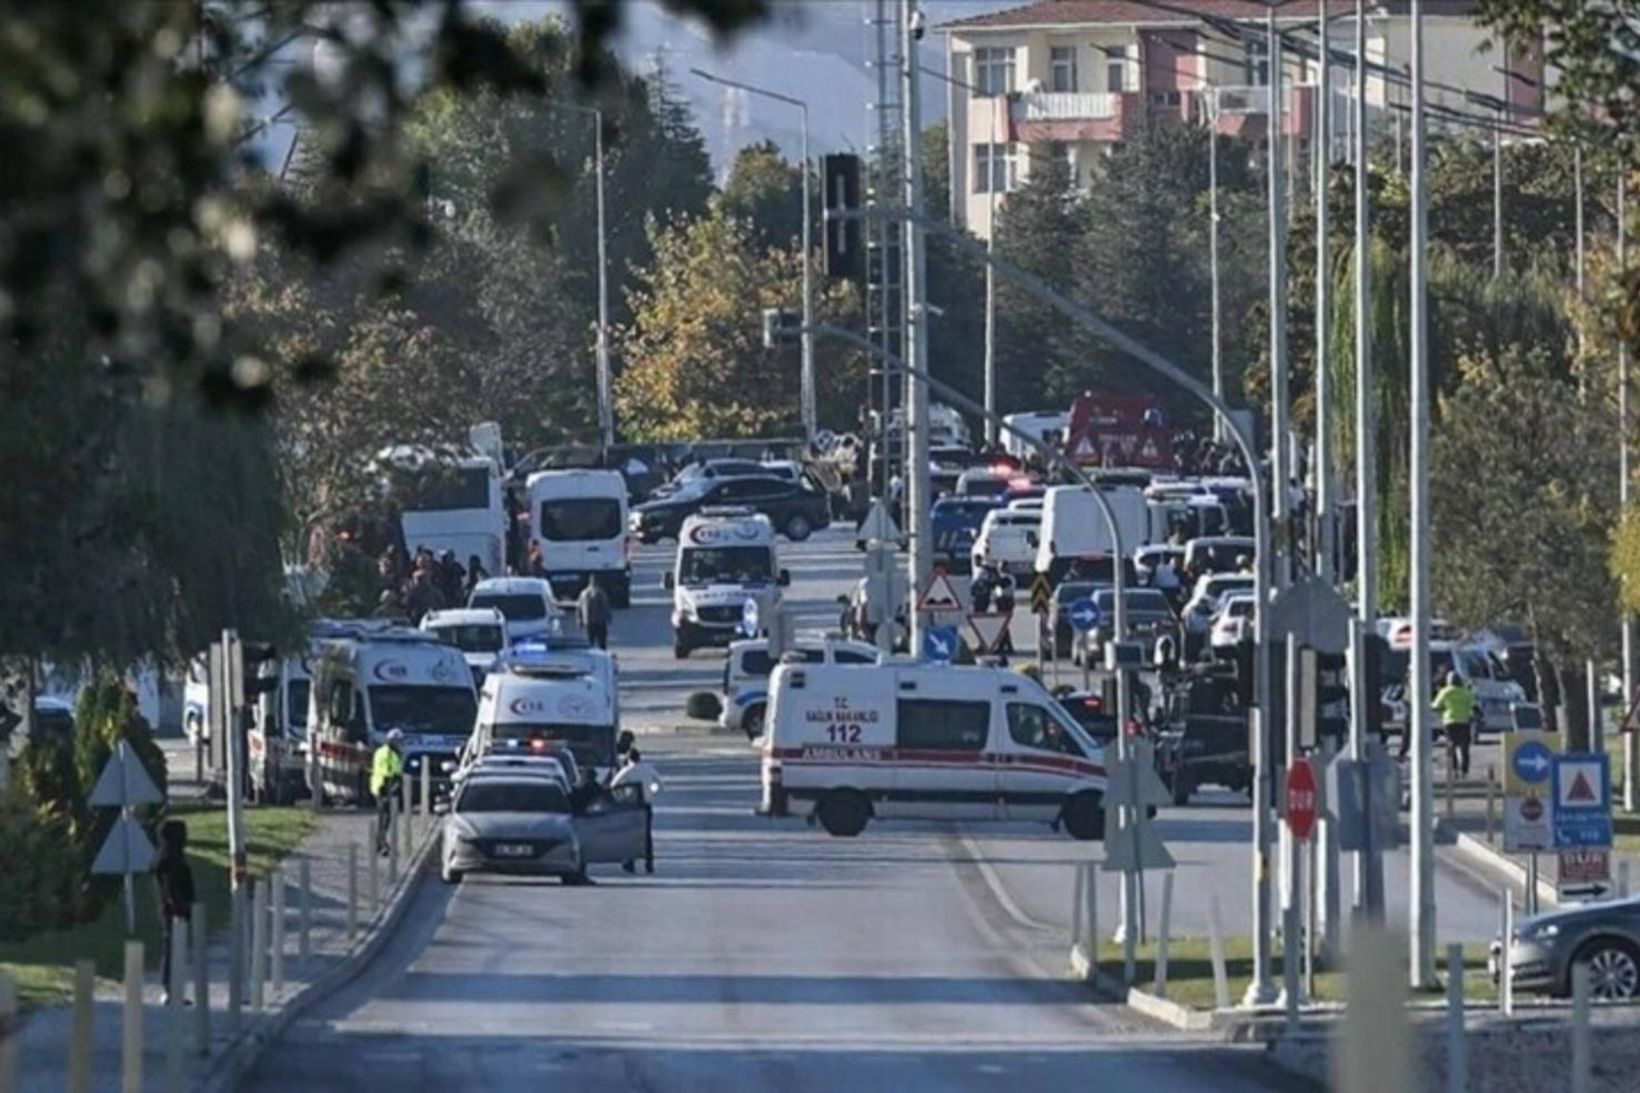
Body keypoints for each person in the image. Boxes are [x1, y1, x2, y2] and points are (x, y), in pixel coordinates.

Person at [153, 819, 196, 1005]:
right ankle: (170, 989)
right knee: (172, 949)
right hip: (174, 912)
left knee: (175, 949)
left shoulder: (171, 858)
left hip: (177, 911)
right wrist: (180, 906)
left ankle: (175, 989)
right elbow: (171, 887)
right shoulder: (168, 860)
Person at [610, 746, 662, 875]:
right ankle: (649, 863)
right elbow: (660, 784)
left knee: (630, 833)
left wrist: (622, 795)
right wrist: (651, 793)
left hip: (632, 806)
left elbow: (613, 785)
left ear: (628, 759)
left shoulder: (627, 771)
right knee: (646, 835)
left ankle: (630, 862)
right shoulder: (648, 769)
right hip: (646, 805)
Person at [1432, 670, 1479, 777]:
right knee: (1464, 748)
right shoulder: (1466, 692)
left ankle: (1454, 769)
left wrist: (1443, 709)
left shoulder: (1445, 692)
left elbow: (1435, 706)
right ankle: (1464, 771)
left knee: (1451, 745)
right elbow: (1475, 708)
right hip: (1464, 722)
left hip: (1449, 722)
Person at [371, 729, 406, 856]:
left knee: (384, 818)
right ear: (393, 741)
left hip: (380, 786)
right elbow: (388, 773)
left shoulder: (384, 751)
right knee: (385, 818)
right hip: (384, 788)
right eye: (399, 741)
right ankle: (382, 845)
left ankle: (379, 844)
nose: (401, 744)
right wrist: (392, 788)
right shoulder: (389, 754)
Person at [577, 575, 612, 649]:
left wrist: (580, 620)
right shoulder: (599, 593)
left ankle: (597, 656)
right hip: (595, 621)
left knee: (595, 642)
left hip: (593, 621)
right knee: (596, 642)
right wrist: (609, 618)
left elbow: (579, 608)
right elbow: (579, 607)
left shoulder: (584, 593)